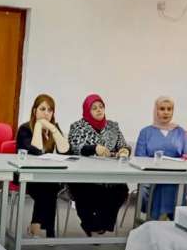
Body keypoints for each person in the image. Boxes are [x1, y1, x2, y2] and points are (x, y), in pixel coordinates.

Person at [67, 94, 130, 235]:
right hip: (84, 176)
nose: (99, 110)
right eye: (94, 108)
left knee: (121, 190)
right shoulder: (77, 126)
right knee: (85, 191)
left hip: (109, 175)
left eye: (101, 107)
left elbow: (123, 145)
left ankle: (101, 225)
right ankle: (90, 224)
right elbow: (75, 148)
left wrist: (124, 150)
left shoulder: (113, 126)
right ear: (87, 110)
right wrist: (94, 148)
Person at [15, 94, 70, 237]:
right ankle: (45, 229)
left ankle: (37, 224)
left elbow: (65, 151)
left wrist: (53, 129)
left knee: (50, 185)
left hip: (46, 176)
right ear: (35, 111)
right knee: (48, 187)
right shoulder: (25, 129)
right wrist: (39, 125)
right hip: (26, 176)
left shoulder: (53, 128)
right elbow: (36, 151)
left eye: (50, 110)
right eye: (42, 109)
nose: (46, 113)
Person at [134, 96, 187, 220]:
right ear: (156, 111)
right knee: (164, 182)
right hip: (151, 175)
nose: (166, 112)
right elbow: (139, 158)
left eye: (169, 109)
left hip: (176, 174)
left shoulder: (180, 132)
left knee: (170, 181)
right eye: (162, 109)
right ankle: (168, 217)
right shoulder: (145, 132)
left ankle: (158, 218)